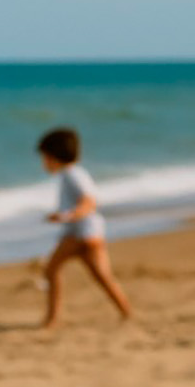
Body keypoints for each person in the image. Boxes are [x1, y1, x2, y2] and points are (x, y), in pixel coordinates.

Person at [38, 126, 133, 328]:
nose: (43, 163)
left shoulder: (71, 174)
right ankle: (126, 311)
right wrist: (64, 215)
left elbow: (89, 200)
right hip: (92, 233)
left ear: (54, 156)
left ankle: (51, 319)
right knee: (102, 276)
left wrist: (68, 216)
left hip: (78, 234)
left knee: (51, 270)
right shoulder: (75, 173)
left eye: (44, 158)